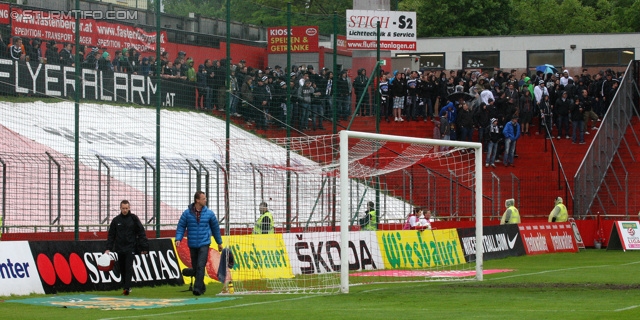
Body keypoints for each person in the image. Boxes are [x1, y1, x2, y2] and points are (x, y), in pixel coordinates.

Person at [175, 191, 223, 296]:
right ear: (197, 200)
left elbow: (215, 228)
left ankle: (197, 289)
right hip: (192, 243)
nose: (205, 200)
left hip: (204, 243)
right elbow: (181, 226)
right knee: (196, 267)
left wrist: (219, 242)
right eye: (203, 198)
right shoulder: (187, 213)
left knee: (201, 265)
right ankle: (202, 286)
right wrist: (178, 239)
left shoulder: (209, 213)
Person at [104, 200, 149, 296]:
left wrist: (144, 246)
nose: (125, 210)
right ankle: (125, 285)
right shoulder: (116, 220)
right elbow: (111, 235)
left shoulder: (133, 219)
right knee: (122, 268)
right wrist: (108, 248)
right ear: (120, 208)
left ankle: (126, 288)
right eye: (123, 208)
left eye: (126, 208)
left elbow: (141, 232)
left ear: (129, 208)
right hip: (120, 248)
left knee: (128, 268)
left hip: (130, 248)